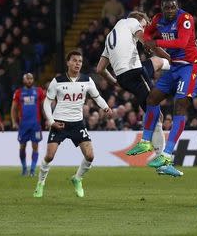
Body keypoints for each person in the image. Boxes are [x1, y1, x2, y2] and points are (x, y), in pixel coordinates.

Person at [126, 0, 197, 177]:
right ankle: (145, 141)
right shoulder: (158, 20)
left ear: (177, 7)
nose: (170, 11)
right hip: (175, 66)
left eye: (173, 7)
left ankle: (167, 155)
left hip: (191, 66)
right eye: (166, 8)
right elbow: (146, 34)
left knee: (180, 105)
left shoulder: (185, 18)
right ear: (161, 8)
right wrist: (147, 42)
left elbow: (182, 42)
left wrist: (156, 43)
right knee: (152, 97)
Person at [96, 11, 171, 167]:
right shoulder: (131, 22)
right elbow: (146, 40)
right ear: (139, 20)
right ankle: (162, 160)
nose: (145, 28)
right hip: (134, 72)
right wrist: (149, 45)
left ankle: (176, 64)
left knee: (156, 62)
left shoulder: (111, 35)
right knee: (155, 110)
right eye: (144, 25)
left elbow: (100, 69)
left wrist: (115, 82)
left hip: (124, 77)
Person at [33, 51, 112, 198]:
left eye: (80, 61)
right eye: (74, 60)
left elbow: (97, 97)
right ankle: (40, 183)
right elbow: (47, 102)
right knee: (49, 156)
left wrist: (106, 107)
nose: (77, 63)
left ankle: (77, 178)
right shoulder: (57, 81)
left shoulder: (87, 80)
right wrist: (51, 122)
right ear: (68, 63)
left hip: (77, 123)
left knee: (90, 155)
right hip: (60, 123)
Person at [11, 73, 45, 176]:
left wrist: (48, 119)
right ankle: (24, 168)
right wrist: (14, 122)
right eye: (27, 79)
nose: (29, 80)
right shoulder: (18, 92)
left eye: (31, 78)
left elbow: (43, 107)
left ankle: (33, 170)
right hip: (23, 125)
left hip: (36, 125)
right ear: (23, 80)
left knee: (35, 146)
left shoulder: (39, 91)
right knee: (22, 146)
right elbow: (14, 108)